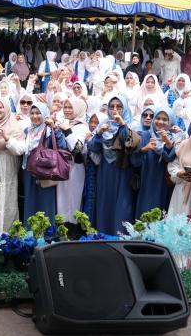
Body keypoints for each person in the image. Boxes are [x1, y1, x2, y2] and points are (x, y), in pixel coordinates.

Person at [87, 94, 139, 234]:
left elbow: (128, 142)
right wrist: (99, 133)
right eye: (112, 107)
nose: (115, 110)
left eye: (119, 107)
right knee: (105, 202)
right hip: (105, 170)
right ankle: (103, 235)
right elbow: (92, 147)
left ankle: (119, 236)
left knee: (122, 204)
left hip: (123, 170)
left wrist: (122, 124)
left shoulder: (131, 124)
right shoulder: (104, 123)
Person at [22, 102, 67, 221]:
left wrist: (54, 129)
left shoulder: (49, 130)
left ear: (45, 114)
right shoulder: (28, 131)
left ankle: (47, 233)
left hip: (45, 169)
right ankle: (30, 232)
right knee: (31, 200)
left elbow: (63, 145)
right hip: (30, 170)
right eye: (32, 113)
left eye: (38, 113)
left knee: (45, 201)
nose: (34, 116)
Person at [0, 97, 24, 232]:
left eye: (0, 107)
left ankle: (6, 233)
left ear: (6, 109)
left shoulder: (14, 126)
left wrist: (7, 138)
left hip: (8, 166)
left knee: (6, 198)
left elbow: (20, 150)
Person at [131, 107, 178, 216]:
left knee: (161, 214)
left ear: (170, 121)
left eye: (165, 119)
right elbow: (134, 161)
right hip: (146, 182)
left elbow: (169, 158)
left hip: (164, 184)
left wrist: (168, 143)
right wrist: (144, 149)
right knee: (145, 213)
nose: (160, 122)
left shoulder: (175, 139)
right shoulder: (144, 135)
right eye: (158, 118)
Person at [56, 98, 88, 224]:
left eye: (71, 108)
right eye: (66, 107)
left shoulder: (82, 127)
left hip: (75, 167)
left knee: (73, 199)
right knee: (61, 200)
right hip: (60, 166)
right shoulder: (62, 122)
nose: (67, 110)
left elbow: (77, 148)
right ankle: (61, 229)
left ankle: (72, 230)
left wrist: (67, 130)